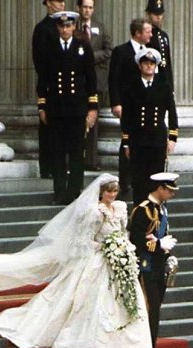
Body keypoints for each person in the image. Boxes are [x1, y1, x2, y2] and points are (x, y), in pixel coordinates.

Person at [0, 174, 153, 348]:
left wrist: (123, 247)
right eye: (109, 191)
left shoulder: (120, 208)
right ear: (101, 192)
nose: (112, 195)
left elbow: (123, 232)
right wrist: (107, 247)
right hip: (99, 259)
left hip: (118, 259)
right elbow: (84, 240)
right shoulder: (95, 212)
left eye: (115, 191)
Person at [37, 11, 99, 205]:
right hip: (56, 109)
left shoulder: (83, 47)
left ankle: (74, 192)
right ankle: (59, 192)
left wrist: (92, 107)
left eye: (68, 26)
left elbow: (91, 79)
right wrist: (42, 106)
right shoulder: (50, 48)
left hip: (77, 109)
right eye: (61, 26)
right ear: (57, 27)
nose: (65, 30)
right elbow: (43, 79)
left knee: (76, 152)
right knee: (57, 152)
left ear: (73, 27)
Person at [129, 172, 178, 348]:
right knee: (150, 309)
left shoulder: (162, 209)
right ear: (160, 188)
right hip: (146, 266)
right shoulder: (143, 210)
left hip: (158, 266)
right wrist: (158, 245)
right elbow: (137, 240)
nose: (172, 194)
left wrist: (167, 254)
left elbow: (163, 234)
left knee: (156, 309)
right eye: (169, 190)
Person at [121, 48, 178, 204]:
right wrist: (126, 142)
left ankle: (156, 214)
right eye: (145, 63)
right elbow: (126, 117)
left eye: (152, 64)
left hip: (157, 139)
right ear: (140, 66)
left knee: (158, 180)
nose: (148, 66)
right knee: (139, 179)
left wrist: (172, 137)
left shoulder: (164, 86)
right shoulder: (131, 87)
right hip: (138, 139)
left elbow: (172, 113)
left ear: (156, 66)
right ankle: (140, 212)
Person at [109, 18, 154, 196]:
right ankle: (125, 180)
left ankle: (141, 178)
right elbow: (113, 79)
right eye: (148, 31)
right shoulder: (121, 51)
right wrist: (116, 103)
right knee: (127, 141)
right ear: (137, 33)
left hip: (146, 105)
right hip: (127, 105)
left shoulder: (150, 53)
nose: (151, 35)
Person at [75, 0, 112, 171]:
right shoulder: (72, 27)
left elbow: (108, 50)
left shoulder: (100, 27)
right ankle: (74, 158)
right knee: (76, 121)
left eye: (90, 7)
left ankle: (91, 160)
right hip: (77, 82)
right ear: (79, 8)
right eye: (85, 7)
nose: (87, 10)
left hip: (95, 81)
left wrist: (90, 57)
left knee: (93, 121)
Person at [32, 0, 67, 179]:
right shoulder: (42, 28)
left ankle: (61, 165)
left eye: (63, 1)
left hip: (67, 87)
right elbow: (40, 61)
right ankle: (47, 166)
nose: (61, 4)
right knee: (48, 127)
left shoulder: (68, 26)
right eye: (57, 1)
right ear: (48, 3)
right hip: (50, 84)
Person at [145, 0, 172, 90]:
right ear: (148, 14)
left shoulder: (164, 35)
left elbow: (167, 63)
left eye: (160, 14)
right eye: (155, 14)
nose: (159, 17)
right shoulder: (146, 34)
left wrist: (170, 87)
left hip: (164, 79)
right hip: (152, 79)